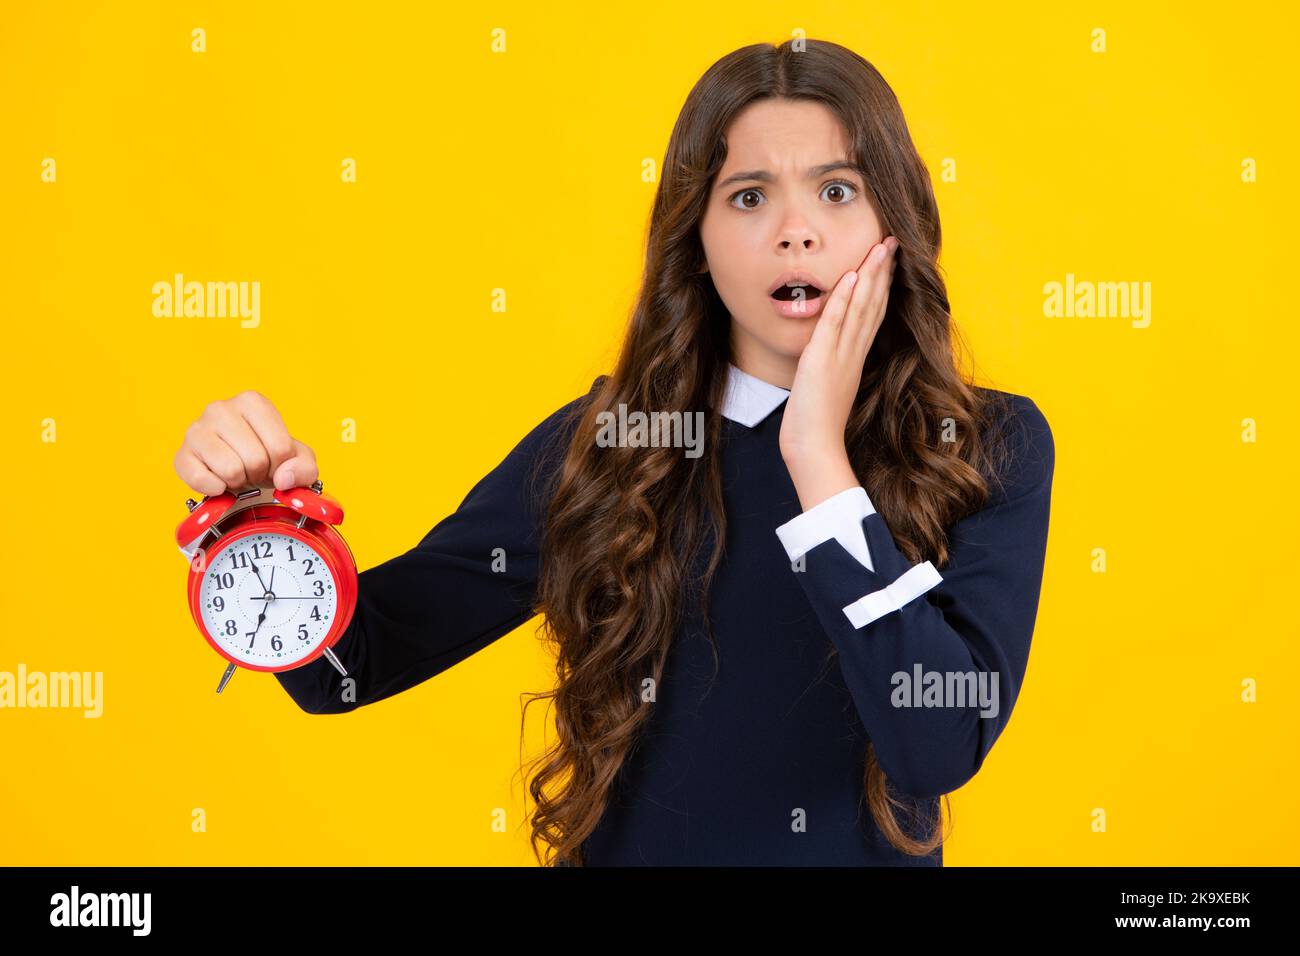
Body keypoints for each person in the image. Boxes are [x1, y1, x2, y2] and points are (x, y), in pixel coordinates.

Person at [172, 38, 1054, 866]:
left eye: (836, 190)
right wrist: (266, 529)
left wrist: (818, 457)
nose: (797, 232)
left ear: (894, 217)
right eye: (749, 196)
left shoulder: (990, 448)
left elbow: (936, 743)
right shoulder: (608, 445)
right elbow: (347, 673)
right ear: (697, 242)